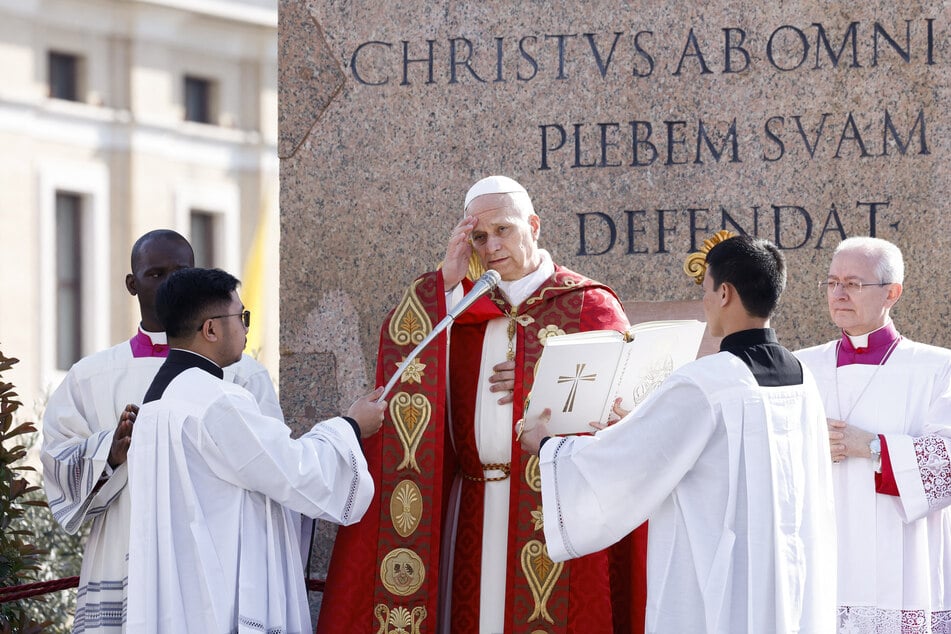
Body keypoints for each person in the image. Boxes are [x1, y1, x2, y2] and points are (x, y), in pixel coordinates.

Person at [317, 176, 646, 633]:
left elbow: (623, 402)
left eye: (503, 230)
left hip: (554, 507)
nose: (491, 246)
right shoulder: (462, 307)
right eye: (479, 236)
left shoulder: (587, 305)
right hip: (469, 501)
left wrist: (536, 374)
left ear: (534, 225)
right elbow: (405, 358)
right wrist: (445, 282)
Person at [520, 234, 837, 633]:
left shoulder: (707, 380)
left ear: (724, 293)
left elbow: (627, 464)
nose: (705, 301)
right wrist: (641, 419)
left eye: (706, 290)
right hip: (786, 573)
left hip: (722, 579)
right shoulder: (801, 376)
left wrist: (549, 445)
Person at [40, 230, 281, 633]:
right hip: (121, 549)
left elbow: (272, 467)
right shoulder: (89, 376)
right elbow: (56, 462)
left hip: (212, 553)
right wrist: (110, 453)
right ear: (132, 284)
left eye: (180, 271)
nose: (169, 282)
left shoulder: (243, 374)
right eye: (156, 273)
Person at [124, 267, 384, 632]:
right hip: (220, 597)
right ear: (211, 329)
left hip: (179, 596)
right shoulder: (216, 400)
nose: (246, 328)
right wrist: (352, 427)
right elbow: (291, 472)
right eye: (241, 317)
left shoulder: (157, 400)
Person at [796, 236, 951, 632]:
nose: (839, 294)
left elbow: (947, 463)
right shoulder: (799, 368)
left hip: (901, 556)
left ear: (892, 293)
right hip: (824, 551)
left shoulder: (937, 368)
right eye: (832, 283)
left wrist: (871, 447)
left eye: (853, 283)